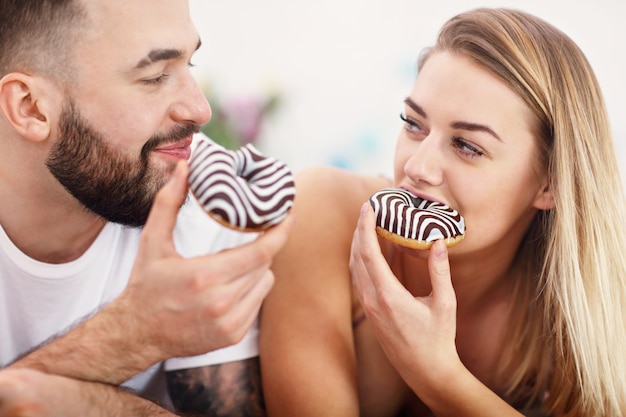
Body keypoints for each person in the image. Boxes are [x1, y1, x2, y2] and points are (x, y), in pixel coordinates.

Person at [254, 7, 625, 417]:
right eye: (413, 124)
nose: (416, 167)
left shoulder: (588, 313)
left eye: (467, 146)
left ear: (549, 183)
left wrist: (438, 375)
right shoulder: (323, 209)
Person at [0, 0, 293, 415]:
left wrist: (52, 398)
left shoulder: (206, 193)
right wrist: (135, 335)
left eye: (189, 65)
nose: (200, 110)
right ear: (30, 107)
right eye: (155, 77)